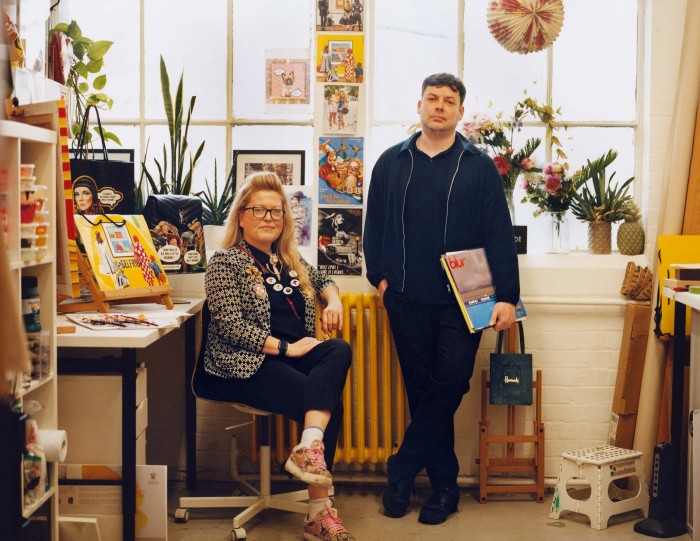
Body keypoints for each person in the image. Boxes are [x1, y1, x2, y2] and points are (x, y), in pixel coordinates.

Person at [364, 73, 520, 525]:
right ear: (419, 105)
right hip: (407, 297)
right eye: (432, 98)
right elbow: (373, 227)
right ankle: (445, 489)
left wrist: (507, 296)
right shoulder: (391, 162)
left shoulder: (478, 165)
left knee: (450, 383)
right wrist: (380, 278)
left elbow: (498, 233)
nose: (439, 106)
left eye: (448, 101)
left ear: (459, 112)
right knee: (423, 392)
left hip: (468, 298)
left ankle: (402, 468)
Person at [200, 171, 356, 541]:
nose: (269, 218)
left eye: (277, 211)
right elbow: (229, 327)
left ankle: (308, 446)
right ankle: (319, 512)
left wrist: (333, 300)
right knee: (325, 401)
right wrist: (286, 347)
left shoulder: (287, 258)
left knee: (339, 348)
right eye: (260, 210)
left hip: (292, 357)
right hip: (244, 363)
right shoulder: (225, 262)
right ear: (241, 216)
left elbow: (321, 281)